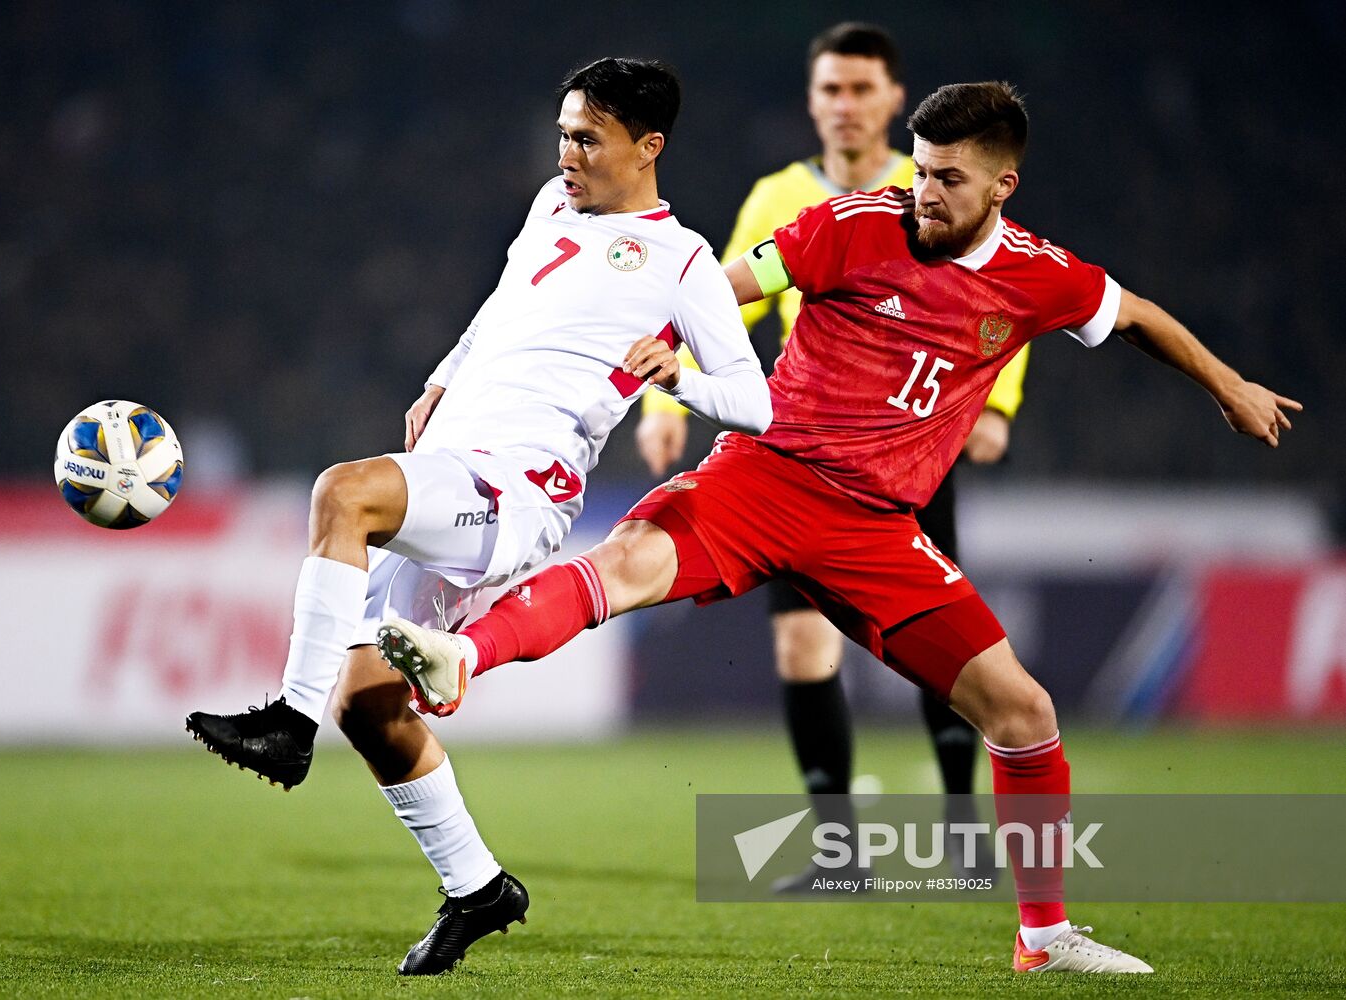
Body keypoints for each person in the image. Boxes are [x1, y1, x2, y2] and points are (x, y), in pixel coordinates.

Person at [384, 81, 1301, 974]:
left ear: (1001, 187)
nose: (923, 192)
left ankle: (1044, 935)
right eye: (920, 167)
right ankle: (461, 657)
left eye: (947, 178)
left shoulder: (1038, 277)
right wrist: (662, 347)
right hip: (765, 477)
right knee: (623, 562)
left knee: (1021, 712)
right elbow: (730, 281)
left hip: (874, 528)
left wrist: (1231, 386)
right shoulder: (856, 222)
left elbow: (1133, 314)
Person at [184, 57, 771, 976]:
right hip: (452, 459)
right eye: (563, 133)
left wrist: (681, 381)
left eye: (589, 138)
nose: (568, 153)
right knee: (369, 703)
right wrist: (442, 377)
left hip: (520, 492)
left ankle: (282, 729)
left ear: (647, 147)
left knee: (343, 492)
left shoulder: (682, 262)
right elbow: (500, 308)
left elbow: (756, 401)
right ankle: (478, 888)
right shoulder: (549, 205)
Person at [633, 22, 1026, 890]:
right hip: (799, 460)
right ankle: (839, 851)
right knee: (800, 652)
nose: (844, 106)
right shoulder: (779, 195)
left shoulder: (932, 185)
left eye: (860, 90)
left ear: (892, 99)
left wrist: (994, 406)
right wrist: (666, 402)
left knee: (939, 644)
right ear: (812, 102)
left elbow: (1003, 291)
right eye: (829, 91)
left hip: (912, 458)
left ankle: (964, 836)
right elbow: (716, 305)